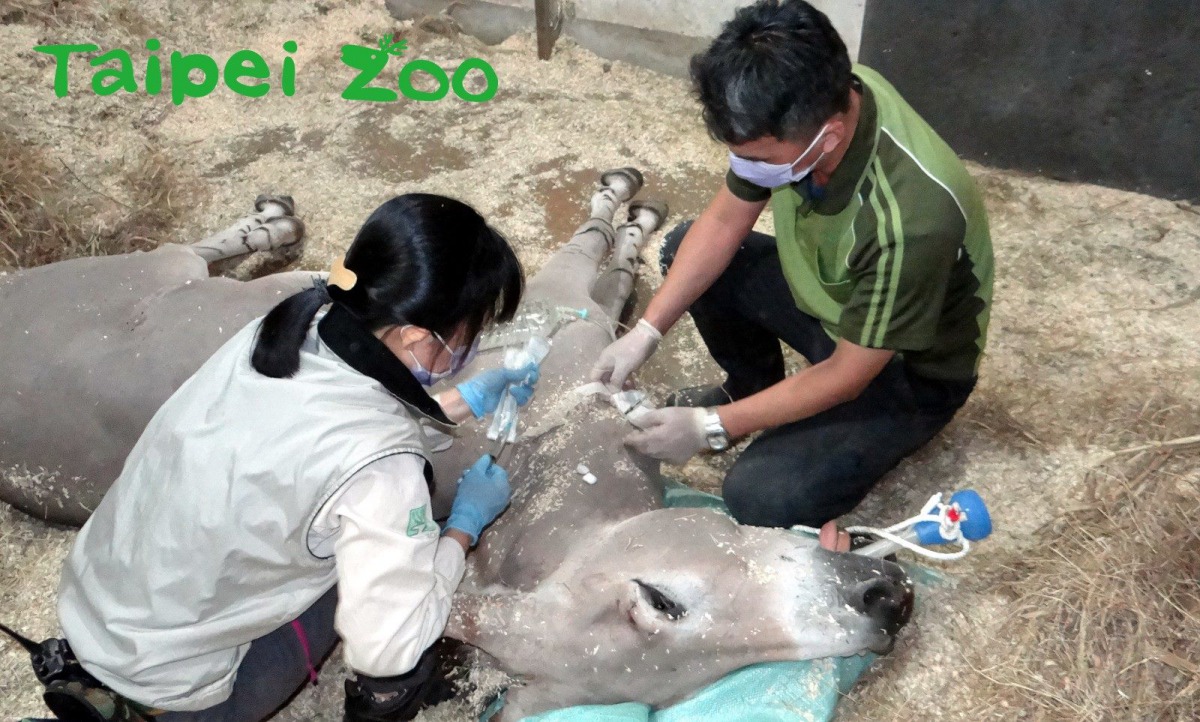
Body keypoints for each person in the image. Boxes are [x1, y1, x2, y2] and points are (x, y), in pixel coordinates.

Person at [38, 194, 537, 722]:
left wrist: (461, 402)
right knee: (403, 596)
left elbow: (324, 427)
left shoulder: (280, 331)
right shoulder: (383, 466)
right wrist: (462, 530)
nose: (467, 351)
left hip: (94, 616)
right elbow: (387, 647)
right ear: (416, 335)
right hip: (171, 692)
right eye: (466, 338)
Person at [592, 0, 994, 530]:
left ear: (827, 136)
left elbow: (848, 375)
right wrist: (645, 331)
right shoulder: (818, 98)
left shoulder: (912, 220)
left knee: (761, 496)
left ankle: (813, 421)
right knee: (690, 245)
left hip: (901, 366)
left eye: (759, 158)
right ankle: (751, 385)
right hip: (832, 301)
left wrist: (712, 428)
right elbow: (721, 225)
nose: (746, 169)